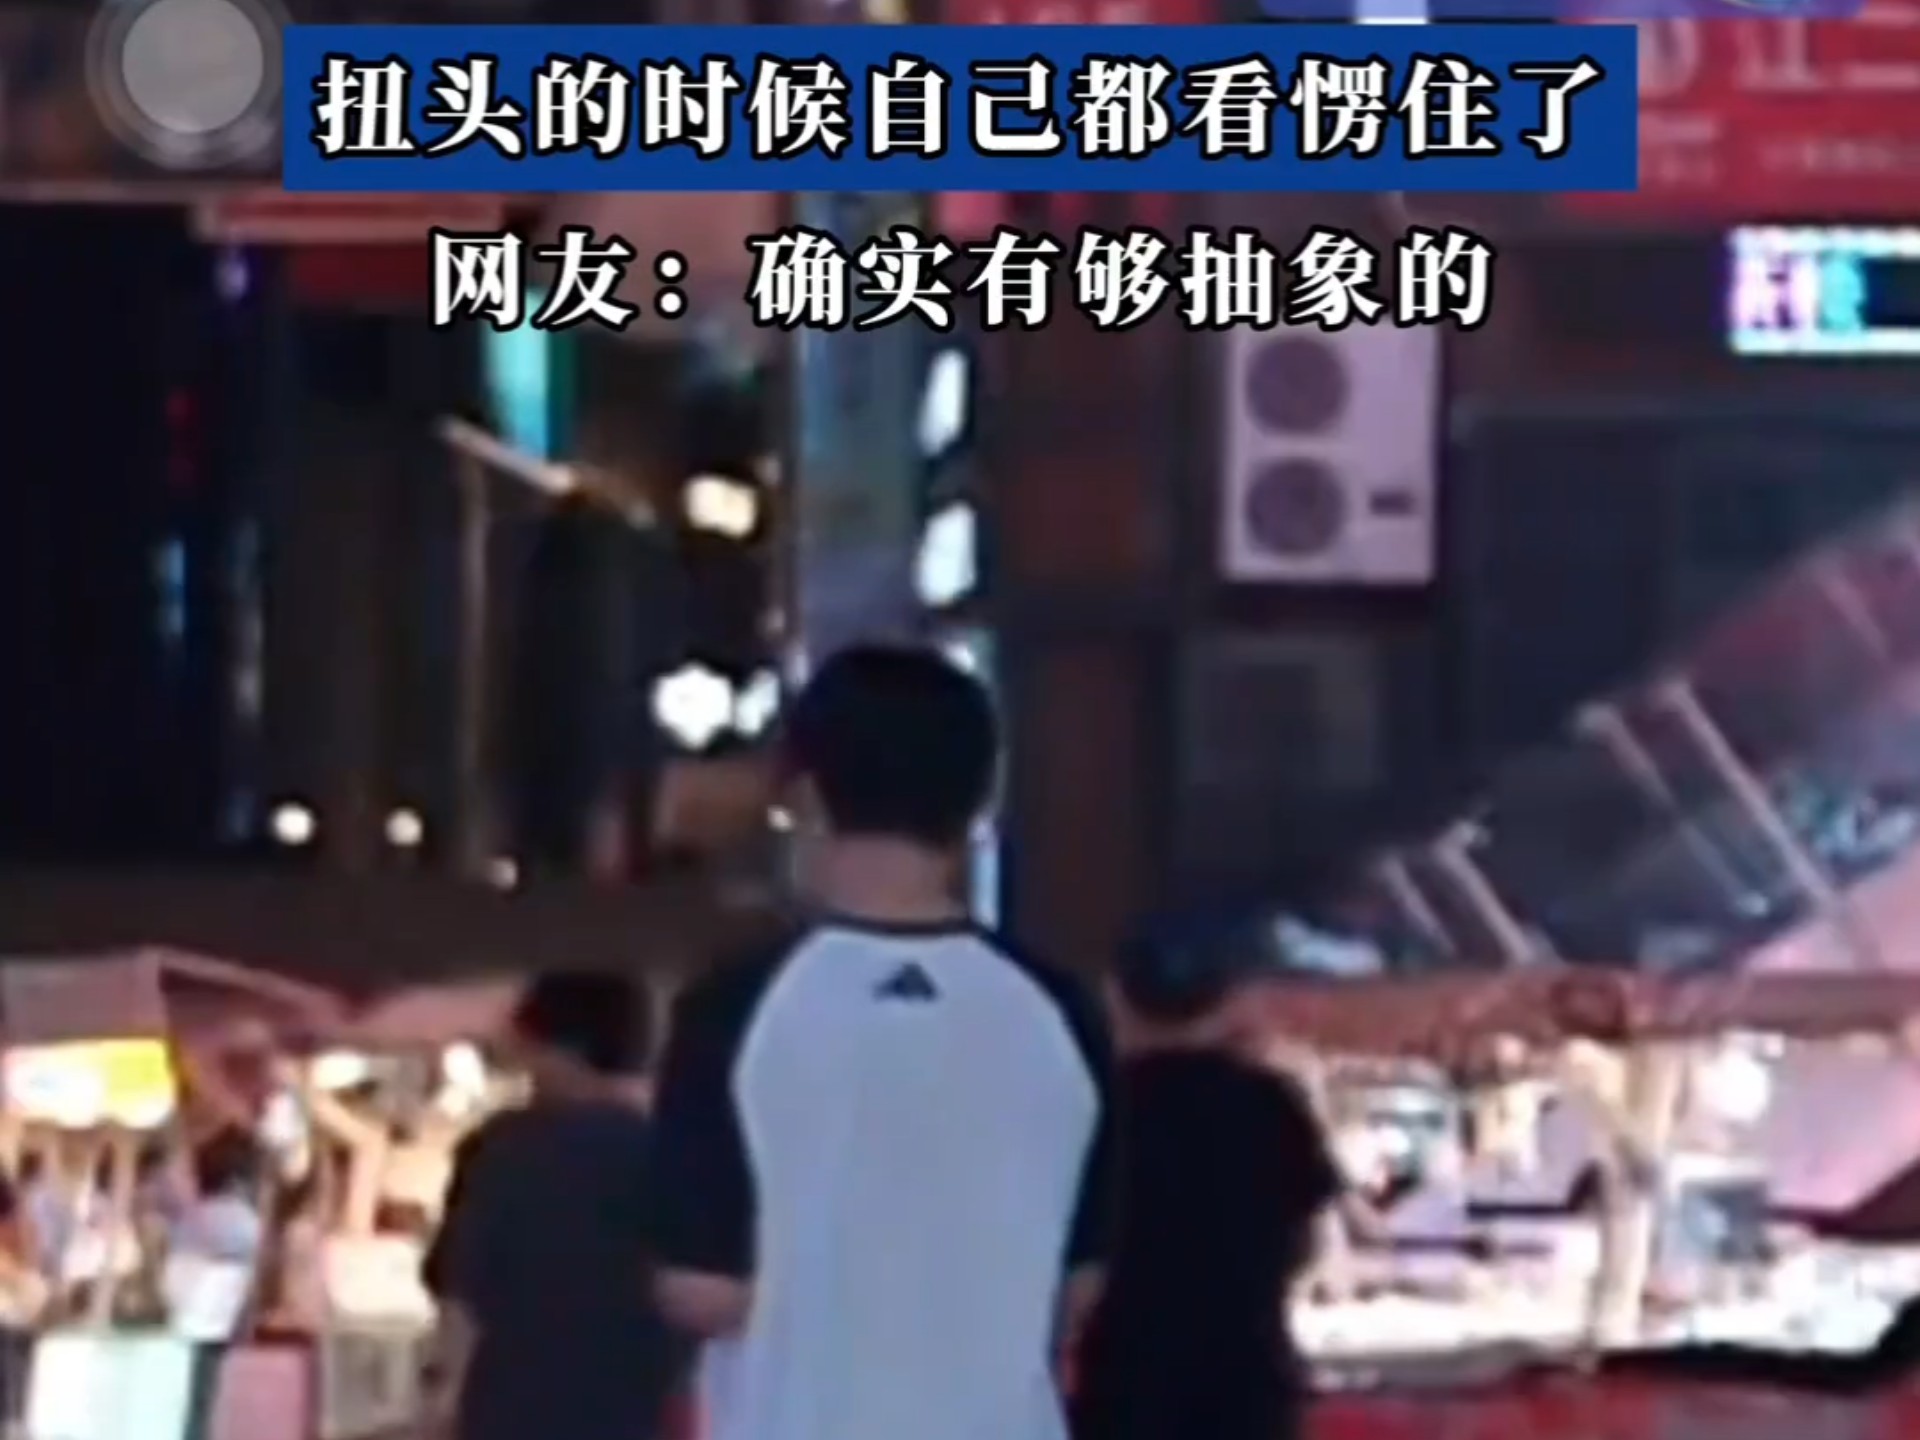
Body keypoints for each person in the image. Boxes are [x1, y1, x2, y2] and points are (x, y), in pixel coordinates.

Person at [647, 644, 1114, 1440]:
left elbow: (702, 1287)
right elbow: (1077, 1289)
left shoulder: (736, 1006)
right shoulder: (1061, 1010)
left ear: (805, 795)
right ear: (982, 802)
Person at [1071, 916, 1342, 1440]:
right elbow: (1307, 1241)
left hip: (1129, 1387)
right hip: (1249, 1383)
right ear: (1226, 999)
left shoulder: (1099, 1110)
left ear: (1115, 996)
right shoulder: (1271, 1103)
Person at [422, 972, 683, 1440]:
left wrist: (443, 1396)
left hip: (511, 1411)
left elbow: (462, 1295)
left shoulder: (503, 1149)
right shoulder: (673, 1153)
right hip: (636, 1415)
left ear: (558, 1048)